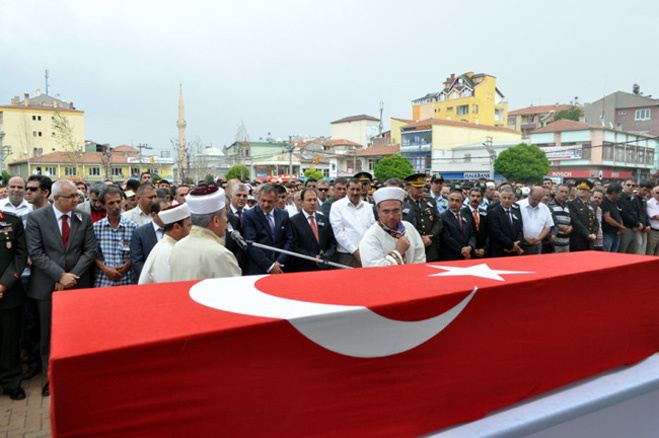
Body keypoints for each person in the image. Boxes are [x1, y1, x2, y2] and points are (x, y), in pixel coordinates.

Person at [26, 180, 96, 397]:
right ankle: (51, 378)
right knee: (49, 334)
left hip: (78, 284)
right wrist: (59, 275)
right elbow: (35, 253)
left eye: (77, 195)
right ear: (56, 198)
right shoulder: (37, 218)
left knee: (78, 333)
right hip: (47, 286)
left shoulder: (83, 218)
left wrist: (71, 276)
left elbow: (90, 250)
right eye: (71, 196)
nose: (77, 199)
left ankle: (78, 374)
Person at [170, 187, 241, 280]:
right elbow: (234, 291)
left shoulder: (178, 246)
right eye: (224, 215)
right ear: (216, 220)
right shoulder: (220, 254)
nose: (227, 219)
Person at [0, 210, 28, 400]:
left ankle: (11, 382)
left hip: (7, 292)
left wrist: (4, 284)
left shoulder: (12, 221)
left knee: (9, 340)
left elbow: (20, 255)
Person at [360, 187, 425, 267]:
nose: (391, 216)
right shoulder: (371, 237)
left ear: (402, 209)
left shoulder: (409, 228)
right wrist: (398, 252)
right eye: (386, 211)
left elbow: (420, 259)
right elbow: (375, 271)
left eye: (395, 211)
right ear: (378, 212)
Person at [242, 185, 293, 275]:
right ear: (258, 198)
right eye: (263, 201)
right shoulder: (249, 216)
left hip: (280, 267)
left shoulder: (283, 215)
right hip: (258, 269)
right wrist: (270, 266)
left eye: (270, 202)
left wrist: (279, 262)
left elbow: (289, 241)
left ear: (276, 201)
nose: (266, 204)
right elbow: (251, 244)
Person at [93, 186, 139, 287]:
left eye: (118, 202)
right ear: (102, 205)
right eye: (111, 203)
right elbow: (91, 254)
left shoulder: (132, 226)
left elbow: (138, 252)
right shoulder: (96, 228)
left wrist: (127, 265)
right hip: (104, 281)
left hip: (127, 280)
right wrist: (106, 269)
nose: (116, 206)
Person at [139, 203, 191, 284]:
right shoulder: (166, 252)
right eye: (189, 226)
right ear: (176, 227)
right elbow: (167, 289)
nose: (191, 230)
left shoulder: (171, 246)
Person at [330, 178, 375, 267]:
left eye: (358, 190)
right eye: (352, 189)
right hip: (346, 255)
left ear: (362, 190)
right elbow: (339, 233)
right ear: (347, 189)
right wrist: (355, 251)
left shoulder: (368, 206)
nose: (355, 192)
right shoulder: (337, 206)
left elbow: (372, 229)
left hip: (366, 253)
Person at [290, 188, 337, 272]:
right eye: (309, 200)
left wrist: (327, 255)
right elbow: (294, 246)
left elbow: (332, 242)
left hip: (324, 267)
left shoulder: (324, 219)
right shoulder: (294, 221)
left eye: (315, 200)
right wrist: (313, 257)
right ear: (301, 202)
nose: (312, 203)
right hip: (304, 268)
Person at [405, 173, 442, 262]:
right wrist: (420, 237)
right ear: (409, 188)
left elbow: (438, 221)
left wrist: (430, 236)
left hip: (430, 245)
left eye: (421, 187)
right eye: (417, 187)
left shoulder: (429, 201)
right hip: (413, 246)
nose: (420, 190)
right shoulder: (404, 203)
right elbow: (406, 224)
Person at [130, 198, 169, 279]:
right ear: (154, 215)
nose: (169, 215)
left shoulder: (175, 230)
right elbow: (137, 261)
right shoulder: (140, 233)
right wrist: (151, 277)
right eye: (165, 212)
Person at [439, 190, 476, 261]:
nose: (454, 203)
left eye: (457, 201)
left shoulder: (467, 217)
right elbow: (447, 238)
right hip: (450, 256)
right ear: (448, 201)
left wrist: (470, 247)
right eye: (451, 200)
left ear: (462, 203)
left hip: (467, 255)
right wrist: (463, 250)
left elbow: (472, 234)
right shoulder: (443, 217)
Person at [487, 187, 524, 257]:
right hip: (500, 251)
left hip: (514, 252)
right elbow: (496, 232)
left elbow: (520, 230)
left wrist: (517, 245)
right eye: (504, 198)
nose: (506, 201)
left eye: (509, 198)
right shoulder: (493, 213)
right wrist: (511, 245)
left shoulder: (516, 213)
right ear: (500, 199)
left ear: (513, 199)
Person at [517, 186, 554, 255]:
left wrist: (539, 238)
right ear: (529, 195)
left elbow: (548, 226)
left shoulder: (544, 208)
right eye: (534, 199)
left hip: (537, 244)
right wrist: (523, 237)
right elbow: (513, 225)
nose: (536, 202)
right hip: (520, 244)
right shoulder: (518, 206)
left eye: (539, 200)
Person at [568, 180, 598, 252]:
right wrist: (587, 234)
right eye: (580, 189)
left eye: (584, 190)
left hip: (590, 240)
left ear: (589, 192)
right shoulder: (572, 204)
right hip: (578, 239)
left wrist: (594, 233)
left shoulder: (592, 205)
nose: (582, 191)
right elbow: (575, 221)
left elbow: (595, 221)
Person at [461, 187, 489, 258]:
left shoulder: (485, 213)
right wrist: (472, 248)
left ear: (482, 199)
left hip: (483, 252)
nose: (475, 198)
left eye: (478, 196)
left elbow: (489, 233)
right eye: (473, 196)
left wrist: (484, 248)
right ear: (468, 197)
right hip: (468, 251)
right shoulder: (462, 213)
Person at [617, 178, 642, 254]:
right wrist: (637, 224)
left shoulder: (634, 198)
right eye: (628, 185)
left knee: (635, 250)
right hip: (626, 228)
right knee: (623, 250)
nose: (631, 187)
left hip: (636, 228)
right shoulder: (620, 198)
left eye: (633, 185)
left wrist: (639, 223)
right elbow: (624, 214)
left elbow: (639, 212)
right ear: (623, 185)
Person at [600, 183, 626, 253]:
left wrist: (621, 227)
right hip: (608, 233)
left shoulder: (614, 202)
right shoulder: (604, 202)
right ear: (614, 192)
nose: (619, 195)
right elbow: (607, 218)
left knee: (614, 254)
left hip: (616, 233)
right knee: (607, 253)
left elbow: (618, 215)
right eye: (619, 193)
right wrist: (620, 226)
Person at [548, 184, 572, 253]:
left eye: (566, 192)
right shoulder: (550, 206)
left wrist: (570, 227)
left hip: (566, 243)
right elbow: (547, 224)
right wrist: (559, 227)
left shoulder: (568, 207)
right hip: (554, 243)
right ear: (556, 192)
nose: (564, 194)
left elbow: (569, 221)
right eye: (561, 191)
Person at [633, 181, 652, 255]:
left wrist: (648, 225)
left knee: (643, 249)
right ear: (639, 187)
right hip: (637, 227)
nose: (646, 192)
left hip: (645, 228)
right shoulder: (633, 199)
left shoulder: (644, 200)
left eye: (648, 191)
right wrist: (641, 226)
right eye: (645, 190)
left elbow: (645, 214)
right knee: (638, 246)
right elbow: (634, 214)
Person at [646, 185, 659, 256]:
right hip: (653, 232)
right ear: (653, 194)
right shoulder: (650, 203)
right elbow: (654, 216)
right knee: (650, 253)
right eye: (657, 192)